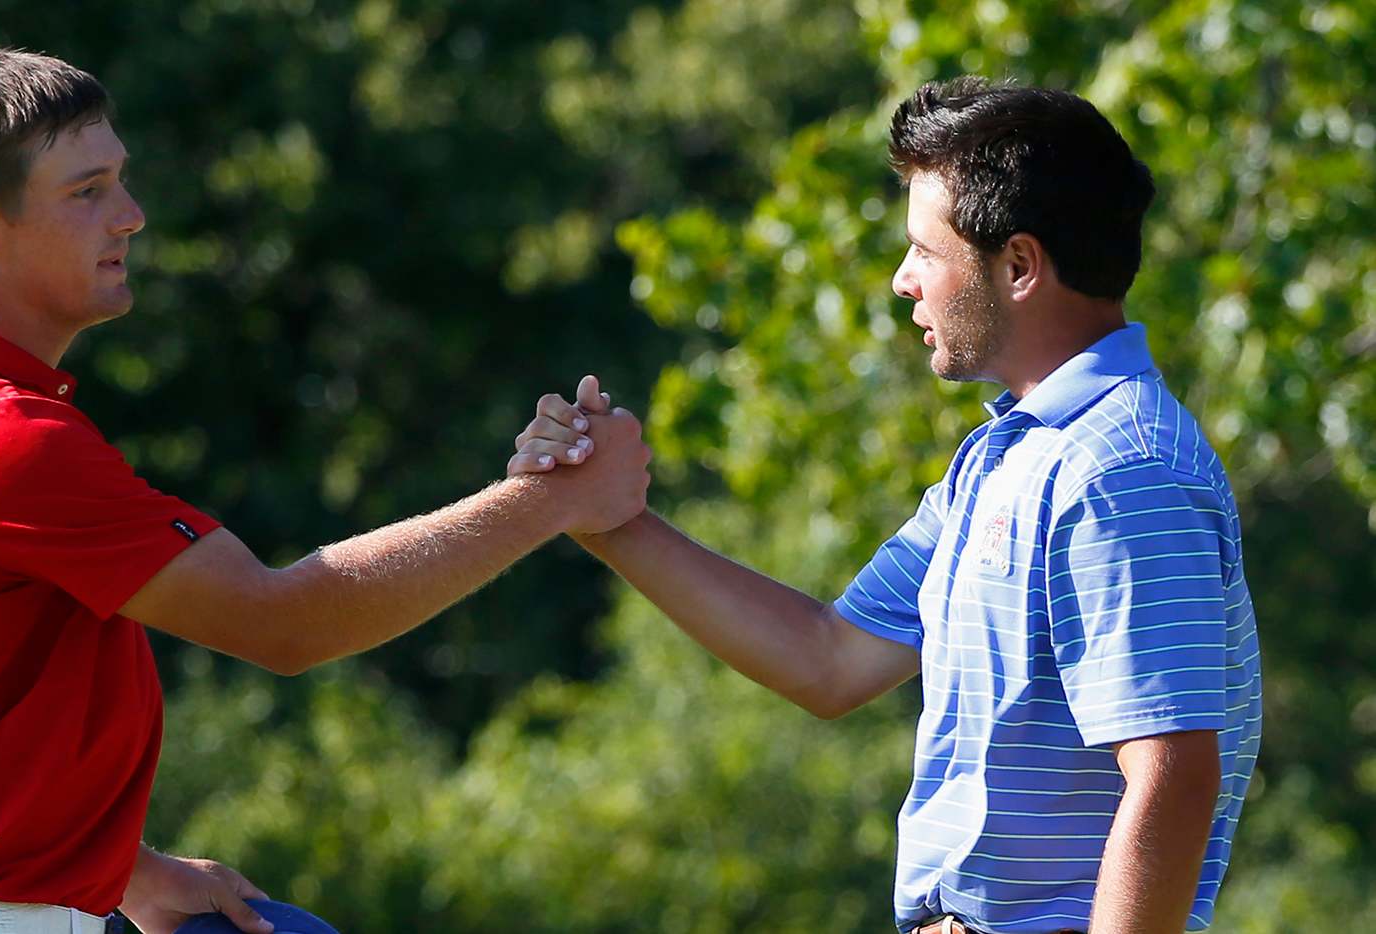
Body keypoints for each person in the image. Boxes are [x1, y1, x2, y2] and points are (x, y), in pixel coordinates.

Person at [0, 46, 651, 934]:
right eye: (87, 191)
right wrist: (551, 501)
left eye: (122, 182)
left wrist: (121, 870)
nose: (131, 217)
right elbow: (282, 621)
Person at [513, 77, 1261, 934]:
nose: (903, 281)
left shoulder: (1123, 470)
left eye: (924, 252)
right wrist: (609, 522)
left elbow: (1173, 772)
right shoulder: (1003, 456)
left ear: (1018, 266)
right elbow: (828, 659)